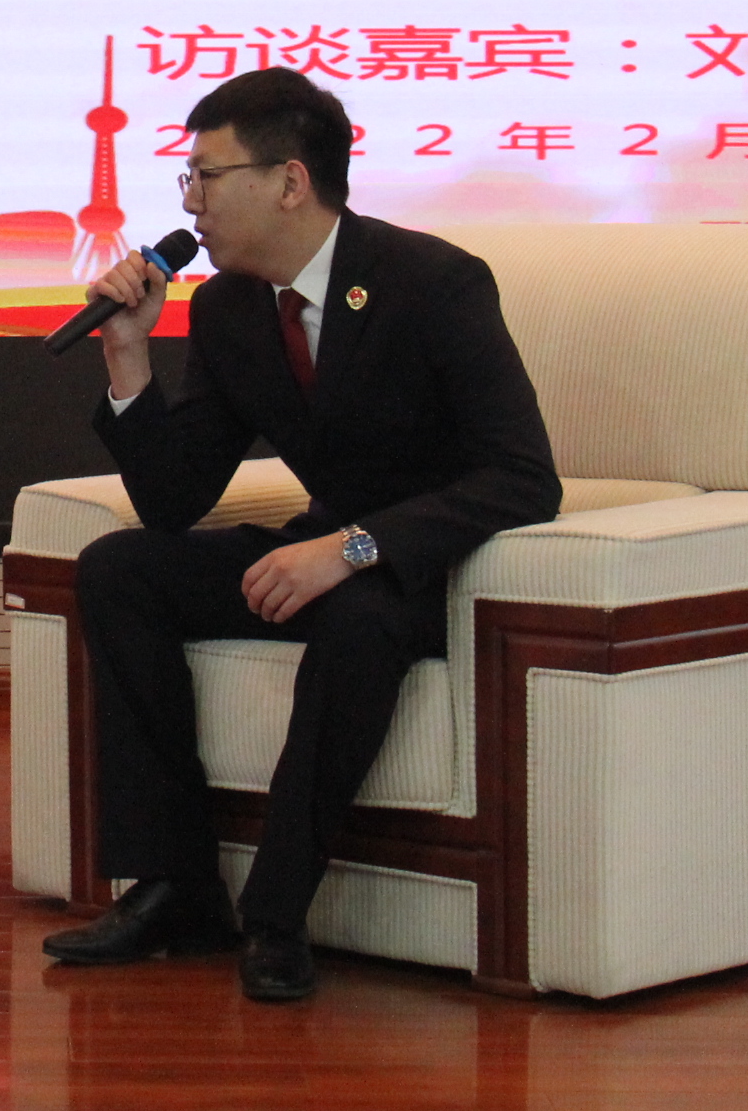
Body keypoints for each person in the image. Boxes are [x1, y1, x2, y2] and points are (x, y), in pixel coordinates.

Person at [43, 66, 559, 1004]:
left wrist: (353, 548)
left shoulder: (432, 283)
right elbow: (172, 500)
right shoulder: (230, 307)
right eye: (187, 179)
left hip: (427, 571)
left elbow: (523, 477)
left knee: (360, 622)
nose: (190, 202)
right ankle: (175, 885)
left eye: (207, 176)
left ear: (290, 181)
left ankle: (276, 916)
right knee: (123, 569)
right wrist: (128, 356)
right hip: (321, 552)